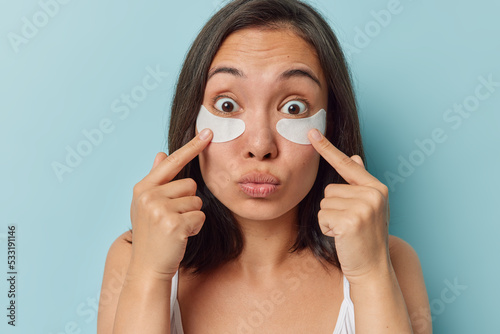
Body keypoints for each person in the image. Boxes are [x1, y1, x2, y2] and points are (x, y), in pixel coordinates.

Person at [97, 0, 432, 333]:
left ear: (333, 124)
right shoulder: (132, 258)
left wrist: (371, 272)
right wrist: (150, 272)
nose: (260, 146)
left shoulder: (391, 260)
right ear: (192, 121)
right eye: (227, 105)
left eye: (295, 107)